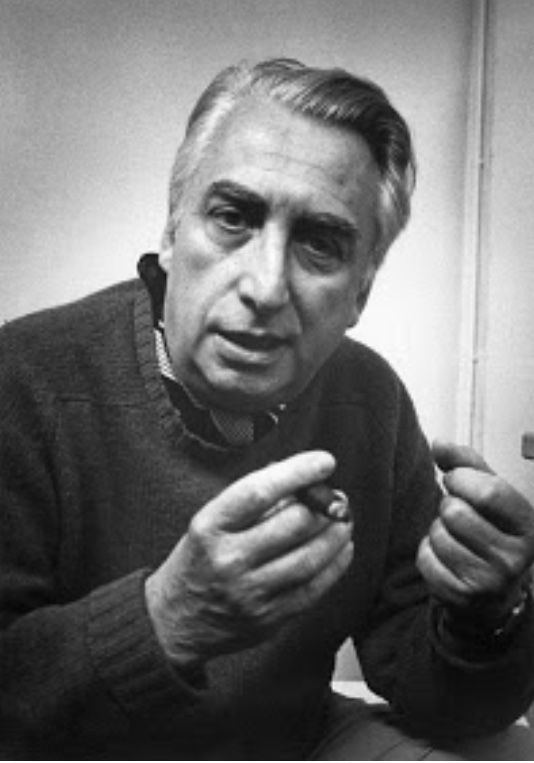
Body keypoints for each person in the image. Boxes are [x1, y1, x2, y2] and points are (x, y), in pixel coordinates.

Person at [1, 57, 534, 760]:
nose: (265, 285)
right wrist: (166, 618)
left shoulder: (369, 399)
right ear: (171, 232)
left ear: (361, 292)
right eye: (233, 217)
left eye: (320, 244)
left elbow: (435, 697)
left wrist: (485, 618)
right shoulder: (24, 380)